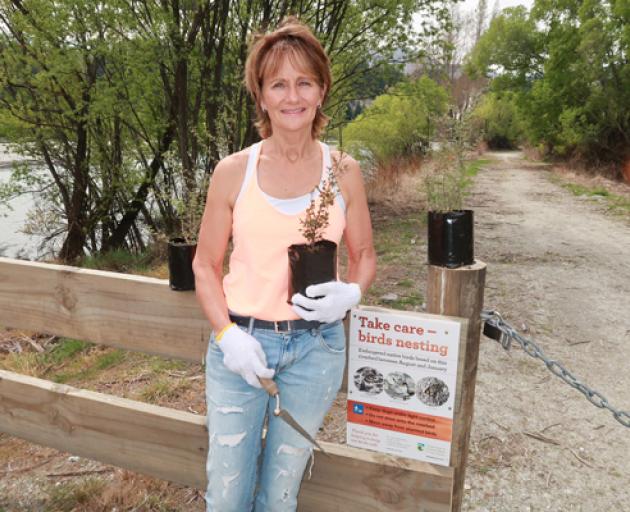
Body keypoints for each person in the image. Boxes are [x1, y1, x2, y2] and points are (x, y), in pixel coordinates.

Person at [192, 16, 376, 512]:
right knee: (228, 494)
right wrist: (227, 335)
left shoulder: (345, 171)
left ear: (321, 92)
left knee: (281, 491)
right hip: (244, 346)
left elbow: (364, 255)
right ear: (261, 95)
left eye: (304, 82)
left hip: (317, 349)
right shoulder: (234, 172)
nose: (291, 95)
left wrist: (352, 293)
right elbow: (205, 265)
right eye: (278, 83)